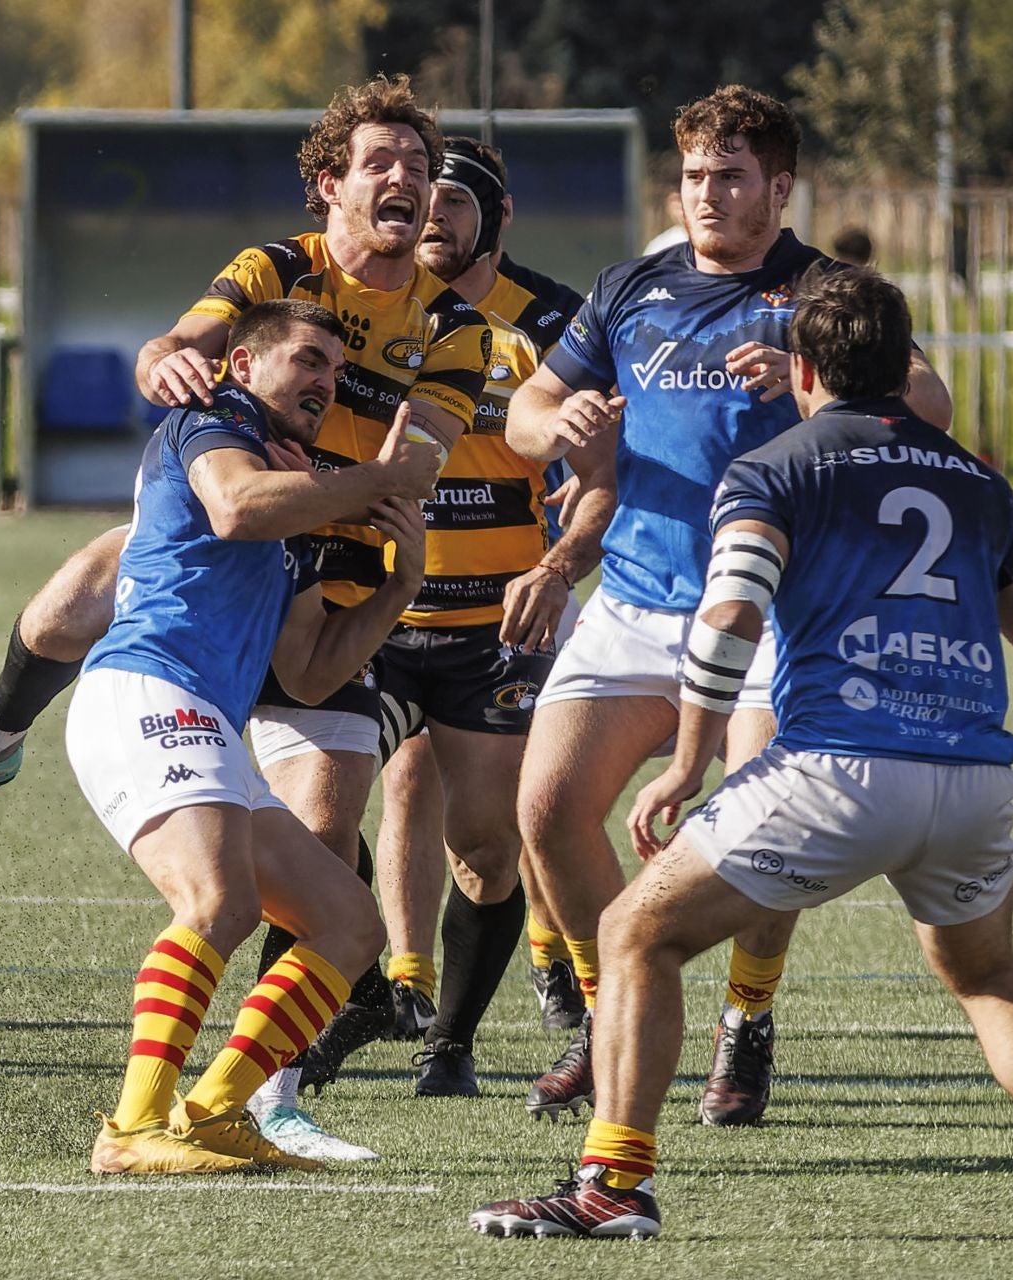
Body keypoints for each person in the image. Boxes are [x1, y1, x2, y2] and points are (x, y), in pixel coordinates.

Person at [0, 75, 482, 1160]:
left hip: (309, 557)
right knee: (94, 602)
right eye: (383, 163)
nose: (407, 184)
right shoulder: (259, 316)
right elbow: (190, 398)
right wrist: (168, 363)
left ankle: (244, 1097)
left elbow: (407, 480)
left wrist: (387, 578)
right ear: (329, 184)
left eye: (420, 171)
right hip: (195, 611)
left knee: (342, 904)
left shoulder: (452, 326)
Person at [470, 264, 1013, 1240]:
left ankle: (611, 1183)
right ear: (899, 363)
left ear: (802, 369)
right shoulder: (979, 482)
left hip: (837, 769)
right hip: (971, 783)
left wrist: (691, 755)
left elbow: (732, 610)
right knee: (990, 974)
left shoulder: (779, 465)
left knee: (633, 933)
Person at [505, 84, 955, 1126]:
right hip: (636, 598)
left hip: (776, 612)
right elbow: (528, 409)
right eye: (695, 175)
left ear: (781, 187)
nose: (707, 193)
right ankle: (606, 1005)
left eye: (731, 176)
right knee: (545, 809)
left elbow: (929, 405)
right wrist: (555, 417)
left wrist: (816, 364)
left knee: (757, 825)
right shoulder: (630, 287)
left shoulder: (827, 289)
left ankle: (745, 1018)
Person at [75, 298, 431, 1174]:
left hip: (206, 724)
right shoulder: (211, 420)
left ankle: (213, 1111)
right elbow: (233, 508)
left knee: (349, 923)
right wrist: (375, 482)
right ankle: (131, 1128)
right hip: (145, 690)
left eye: (336, 373)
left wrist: (397, 586)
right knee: (220, 903)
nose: (325, 382)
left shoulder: (297, 487)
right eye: (308, 361)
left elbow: (310, 672)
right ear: (243, 365)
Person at [302, 137, 613, 1099]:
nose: (431, 214)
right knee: (331, 812)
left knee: (487, 841)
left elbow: (600, 470)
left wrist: (563, 556)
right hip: (377, 610)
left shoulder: (552, 324)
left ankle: (452, 1041)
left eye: (456, 200)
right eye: (419, 197)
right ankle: (380, 989)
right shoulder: (367, 308)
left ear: (498, 215)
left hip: (496, 624)